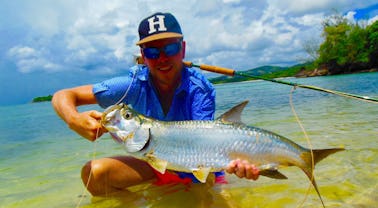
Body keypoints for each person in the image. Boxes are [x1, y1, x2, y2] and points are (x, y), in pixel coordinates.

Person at [52, 12, 259, 196]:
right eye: (152, 52)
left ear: (183, 48)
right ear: (143, 56)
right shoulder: (131, 84)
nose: (162, 58)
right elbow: (64, 95)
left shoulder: (200, 89)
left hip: (199, 165)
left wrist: (238, 161)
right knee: (94, 175)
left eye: (170, 48)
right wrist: (73, 119)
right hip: (152, 160)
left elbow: (203, 147)